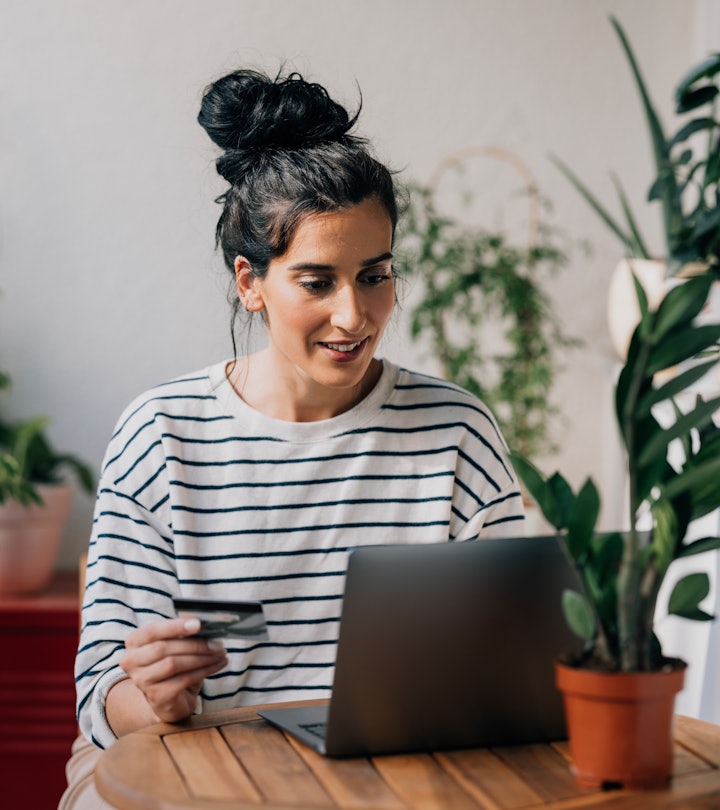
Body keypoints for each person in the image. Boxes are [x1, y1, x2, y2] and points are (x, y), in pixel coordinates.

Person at [60, 67, 525, 809]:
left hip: (397, 768)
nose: (355, 315)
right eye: (317, 282)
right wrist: (155, 697)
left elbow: (514, 659)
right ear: (250, 282)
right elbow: (101, 696)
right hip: (197, 757)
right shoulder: (162, 433)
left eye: (375, 275)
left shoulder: (455, 429)